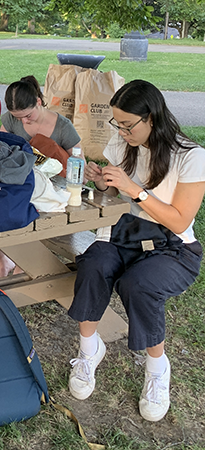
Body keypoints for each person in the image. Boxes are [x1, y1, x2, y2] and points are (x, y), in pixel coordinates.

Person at [67, 80, 205, 422]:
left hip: (173, 247)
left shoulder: (191, 156)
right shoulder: (122, 143)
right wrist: (104, 182)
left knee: (139, 285)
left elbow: (178, 220)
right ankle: (88, 350)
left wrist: (136, 190)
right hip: (123, 234)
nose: (121, 131)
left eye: (128, 125)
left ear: (152, 119)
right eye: (117, 123)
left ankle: (157, 369)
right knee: (93, 265)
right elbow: (116, 197)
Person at [0, 75, 83, 277]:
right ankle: (4, 259)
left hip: (53, 188)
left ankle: (22, 264)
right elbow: (0, 150)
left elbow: (79, 165)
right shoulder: (10, 120)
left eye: (28, 116)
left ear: (39, 102)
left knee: (29, 211)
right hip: (20, 181)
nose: (23, 121)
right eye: (18, 117)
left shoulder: (62, 126)